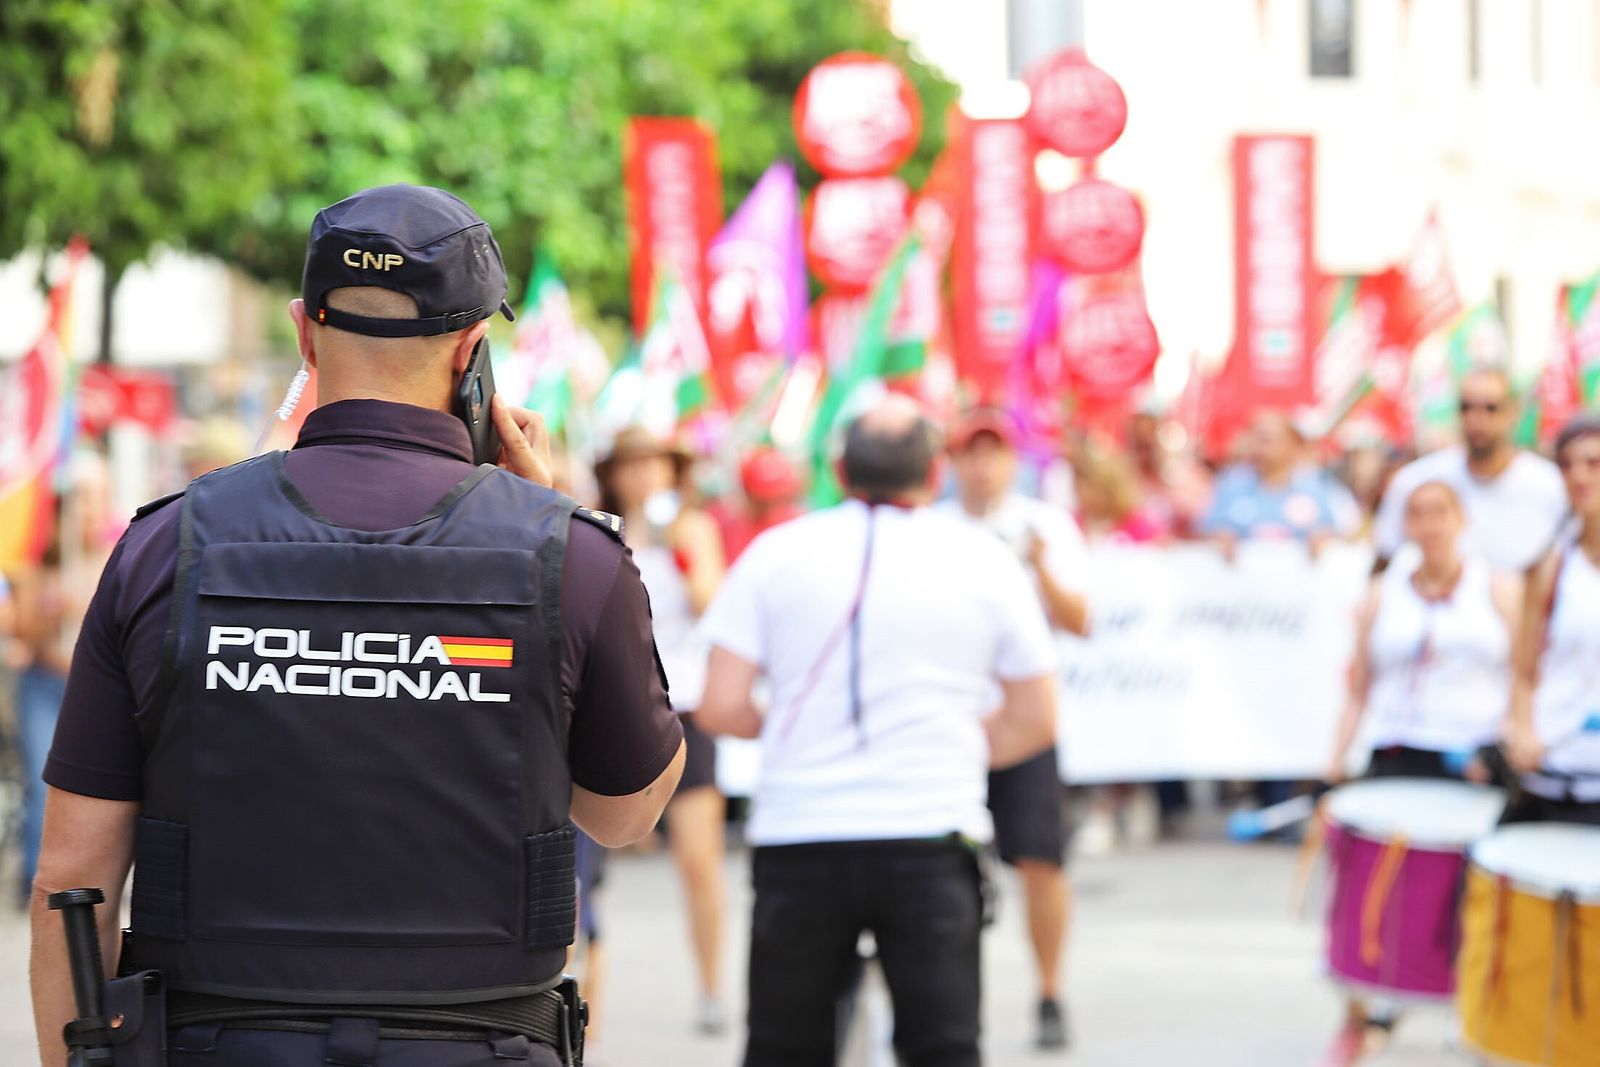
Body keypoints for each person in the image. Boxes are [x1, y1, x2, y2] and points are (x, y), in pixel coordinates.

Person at [29, 184, 686, 1067]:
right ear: (472, 352)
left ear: (305, 330)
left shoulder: (165, 546)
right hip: (479, 1044)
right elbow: (625, 813)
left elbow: (72, 878)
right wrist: (562, 527)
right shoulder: (571, 556)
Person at [697, 394, 1059, 1067]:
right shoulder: (983, 560)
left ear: (838, 469)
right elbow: (1036, 717)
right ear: (935, 472)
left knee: (783, 1048)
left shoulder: (778, 553)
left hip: (801, 837)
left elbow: (719, 705)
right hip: (931, 834)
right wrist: (958, 746)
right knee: (943, 1047)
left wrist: (793, 733)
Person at [1320, 480, 1515, 1063]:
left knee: (1465, 894)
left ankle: (1473, 1012)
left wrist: (1509, 745)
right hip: (1398, 751)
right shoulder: (1384, 593)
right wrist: (1335, 762)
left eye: (1439, 513)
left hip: (1470, 757)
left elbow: (1525, 676)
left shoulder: (1497, 588)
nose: (1428, 526)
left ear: (1461, 519)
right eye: (1417, 515)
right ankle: (1360, 1014)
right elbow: (1359, 687)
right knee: (1370, 891)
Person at [937, 408, 1088, 1051]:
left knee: (1041, 860)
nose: (982, 465)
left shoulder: (1044, 525)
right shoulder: (934, 528)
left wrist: (1042, 567)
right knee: (944, 864)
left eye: (992, 452)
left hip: (1024, 722)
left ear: (1012, 460)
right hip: (954, 719)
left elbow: (1081, 618)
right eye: (970, 452)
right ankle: (949, 998)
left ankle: (1050, 991)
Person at [594, 425, 730, 1034]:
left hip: (687, 706)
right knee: (585, 863)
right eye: (633, 465)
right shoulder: (598, 528)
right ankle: (583, 993)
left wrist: (683, 551)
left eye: (655, 464)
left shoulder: (693, 529)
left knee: (699, 859)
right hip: (616, 706)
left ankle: (710, 988)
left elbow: (712, 604)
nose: (645, 476)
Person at [1373, 366, 1566, 573]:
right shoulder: (1418, 481)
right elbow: (1384, 562)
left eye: (1490, 408)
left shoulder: (1550, 485)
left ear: (1513, 412)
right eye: (1467, 408)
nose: (1477, 419)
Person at [1503, 414, 1600, 826]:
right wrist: (1522, 730)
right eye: (1566, 464)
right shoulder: (1549, 565)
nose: (1578, 475)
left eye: (1593, 463)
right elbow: (1524, 670)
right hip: (1551, 773)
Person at [1201, 410, 1354, 554]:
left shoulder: (1315, 486)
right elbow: (1207, 530)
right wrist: (1220, 537)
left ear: (1293, 444)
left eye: (1267, 440)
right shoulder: (1231, 484)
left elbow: (1333, 533)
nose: (1260, 447)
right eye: (1255, 438)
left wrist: (1323, 539)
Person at [714, 445, 806, 562]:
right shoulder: (723, 526)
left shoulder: (799, 524)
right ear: (749, 496)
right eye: (766, 502)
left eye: (781, 499)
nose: (775, 509)